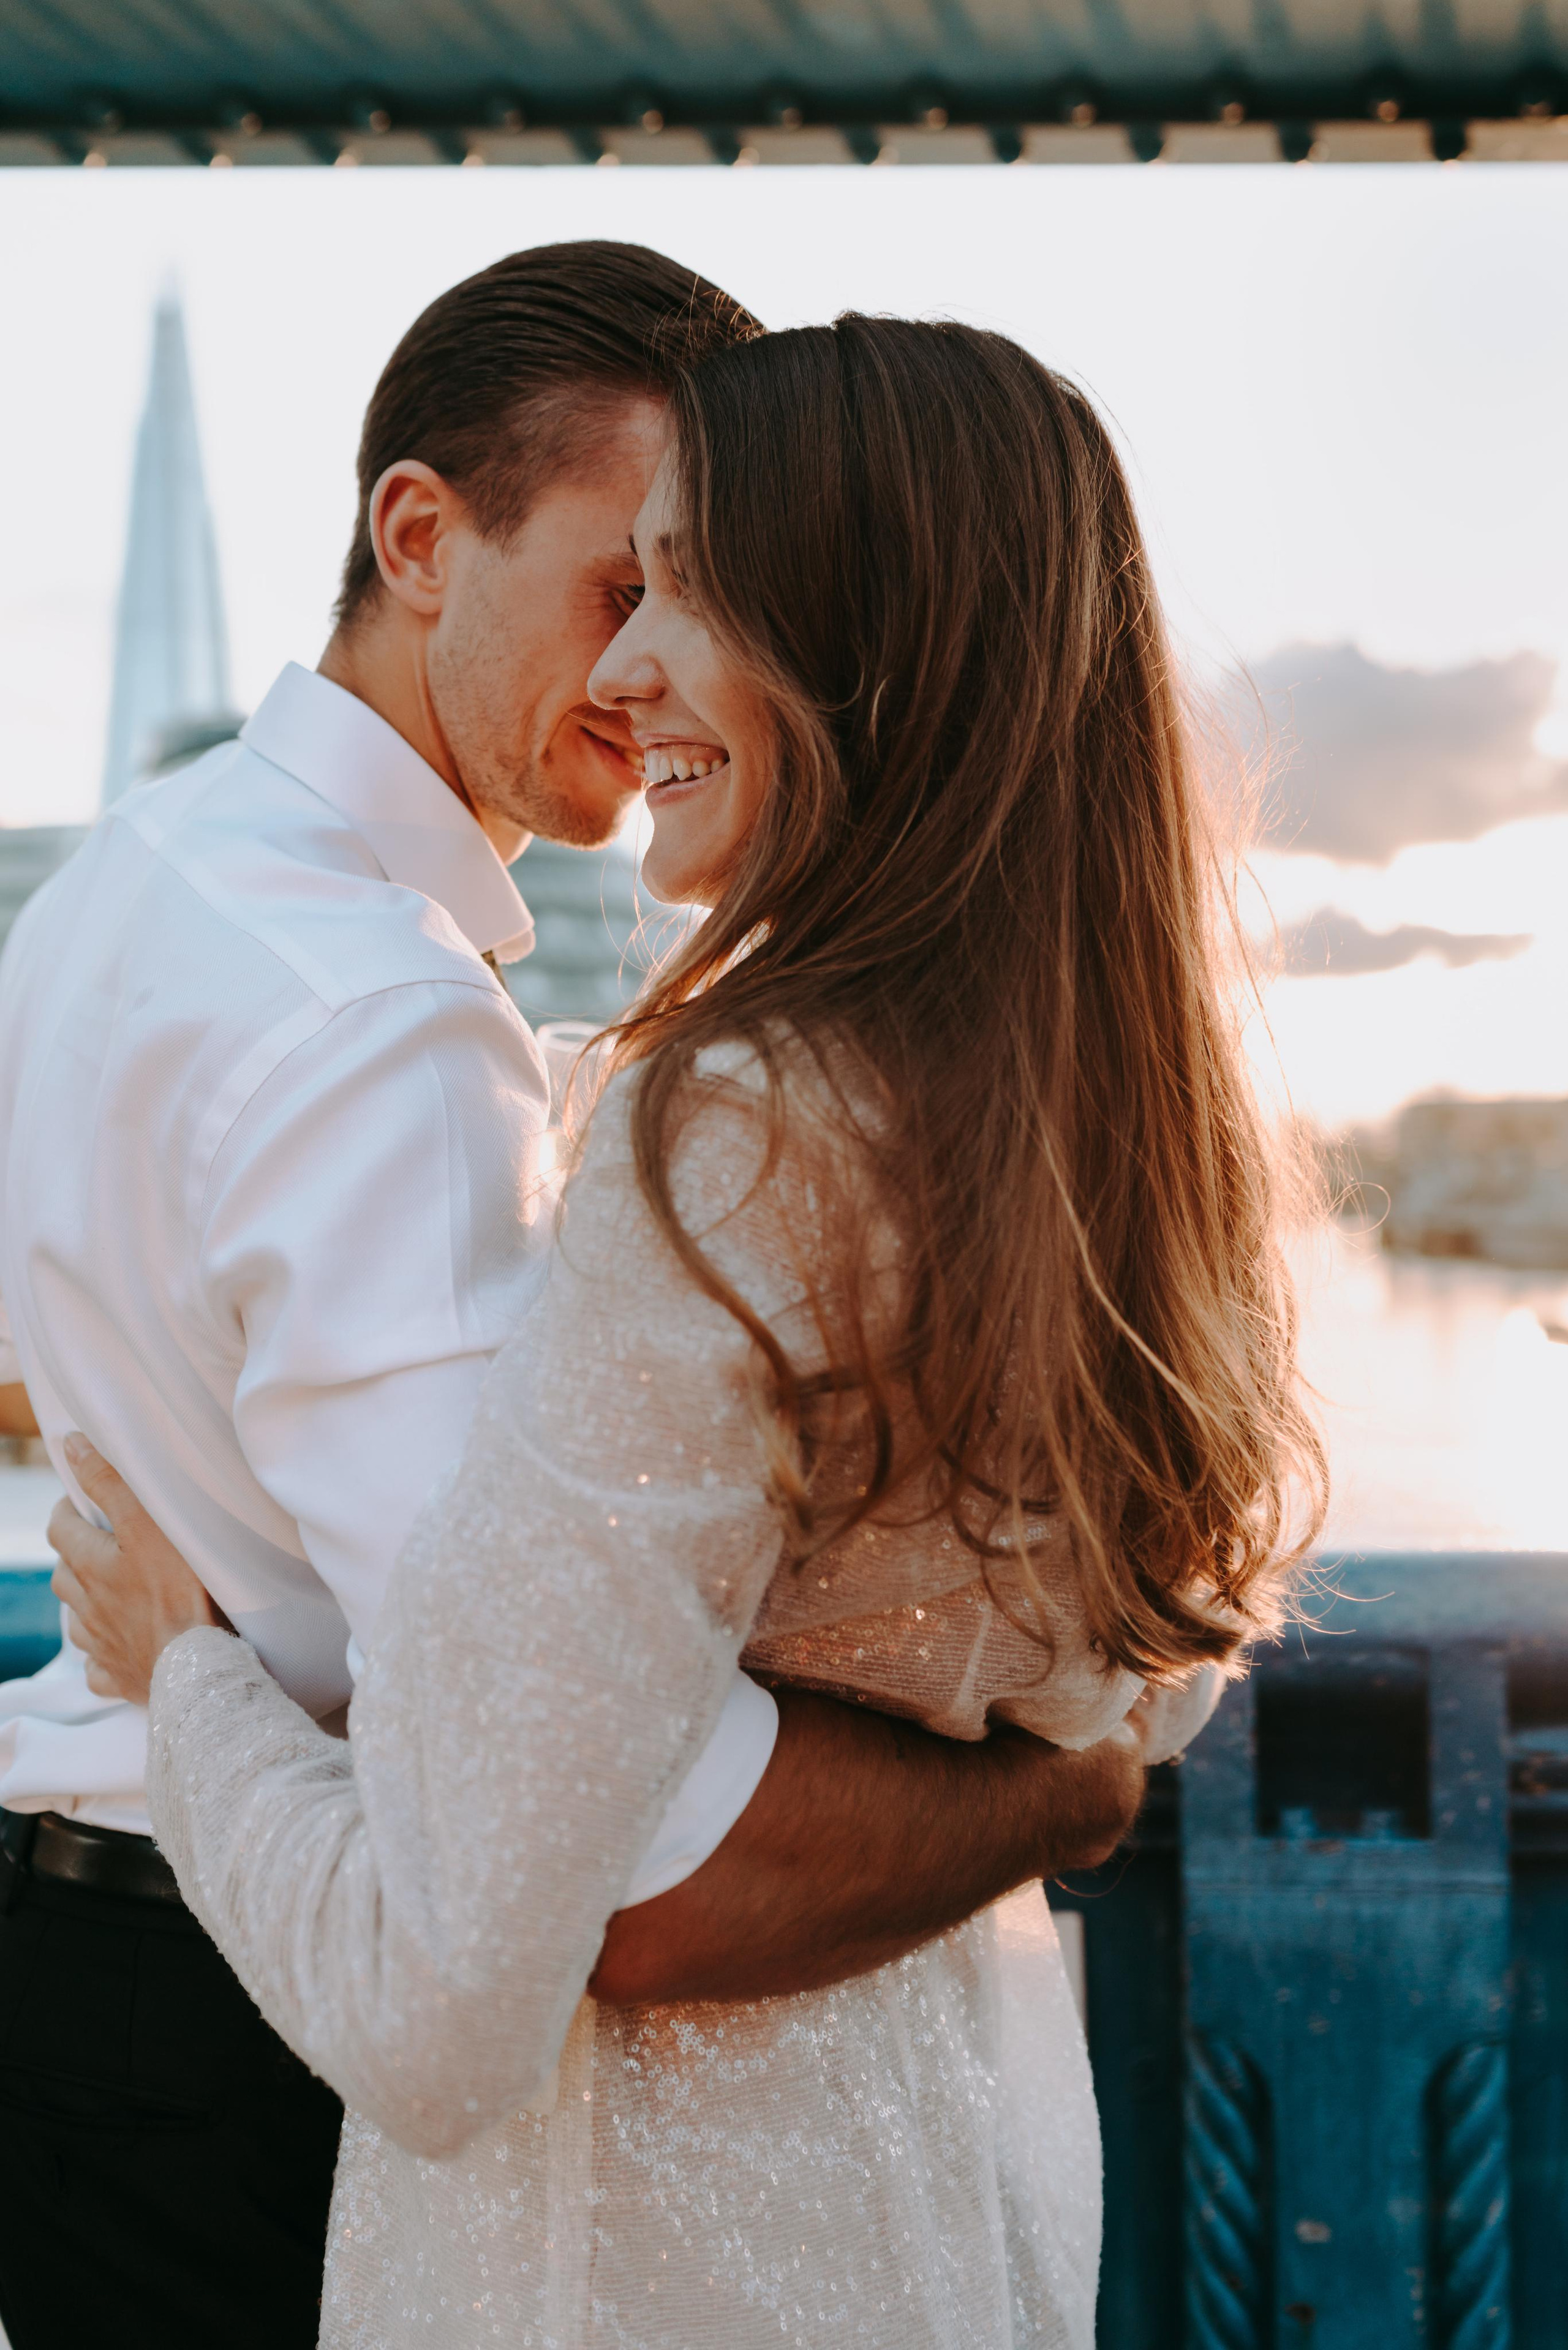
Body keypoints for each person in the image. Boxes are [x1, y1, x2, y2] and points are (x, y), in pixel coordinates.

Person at [53, 312, 1325, 2348]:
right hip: (951, 2165)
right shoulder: (1132, 1141)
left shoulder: (716, 1135)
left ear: (864, 652)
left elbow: (450, 2001)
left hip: (622, 2248)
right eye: (624, 584)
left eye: (696, 595)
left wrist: (180, 1679)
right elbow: (1136, 1686)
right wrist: (1059, 1791)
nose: (634, 669)